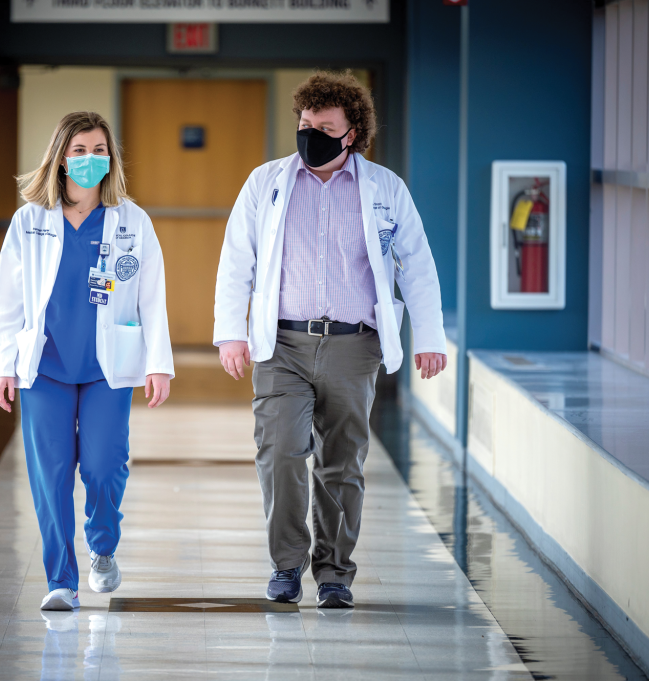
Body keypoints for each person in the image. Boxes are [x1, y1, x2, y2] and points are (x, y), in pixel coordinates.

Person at [213, 72, 447, 609]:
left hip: (353, 344)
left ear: (352, 133)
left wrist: (429, 336)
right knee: (280, 453)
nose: (311, 134)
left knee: (343, 463)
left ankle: (336, 574)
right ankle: (287, 566)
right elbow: (236, 261)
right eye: (304, 124)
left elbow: (417, 265)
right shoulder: (267, 182)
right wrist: (231, 332)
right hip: (284, 345)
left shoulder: (385, 188)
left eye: (325, 126)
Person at [0, 111, 173, 611]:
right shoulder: (29, 221)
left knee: (103, 467)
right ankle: (61, 582)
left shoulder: (132, 221)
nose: (89, 160)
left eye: (98, 151)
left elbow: (151, 298)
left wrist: (159, 363)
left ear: (110, 158)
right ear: (59, 158)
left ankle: (103, 546)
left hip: (105, 369)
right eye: (78, 151)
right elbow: (8, 301)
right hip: (45, 367)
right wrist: (3, 366)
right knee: (50, 474)